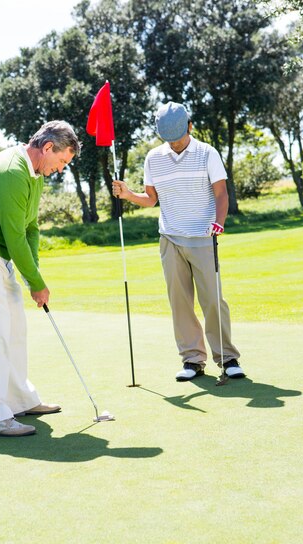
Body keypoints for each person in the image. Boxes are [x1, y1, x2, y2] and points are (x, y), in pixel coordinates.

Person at [0, 120, 81, 436]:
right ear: (48, 147)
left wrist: (31, 273)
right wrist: (36, 283)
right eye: (62, 161)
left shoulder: (34, 176)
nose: (62, 169)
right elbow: (14, 236)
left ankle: (19, 400)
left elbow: (30, 228)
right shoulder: (12, 171)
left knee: (14, 328)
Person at [112, 102, 245, 382]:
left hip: (203, 236)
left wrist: (219, 221)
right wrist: (128, 194)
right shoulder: (153, 158)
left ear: (190, 126)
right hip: (170, 238)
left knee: (212, 300)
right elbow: (151, 200)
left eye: (178, 137)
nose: (174, 144)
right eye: (168, 139)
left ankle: (227, 357)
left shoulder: (207, 153)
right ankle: (192, 359)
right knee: (180, 302)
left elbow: (221, 193)